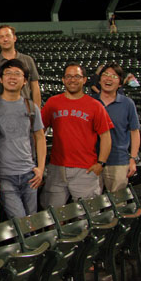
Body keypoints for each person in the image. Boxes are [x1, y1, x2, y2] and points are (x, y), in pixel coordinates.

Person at [40, 62, 113, 209]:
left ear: (84, 80)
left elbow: (106, 136)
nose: (72, 80)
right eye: (69, 76)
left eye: (77, 76)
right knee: (52, 215)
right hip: (57, 168)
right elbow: (39, 132)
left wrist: (101, 163)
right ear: (63, 79)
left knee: (88, 215)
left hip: (85, 169)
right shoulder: (53, 103)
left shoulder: (95, 105)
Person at [0, 59, 46, 219]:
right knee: (20, 221)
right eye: (7, 73)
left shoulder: (31, 107)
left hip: (29, 175)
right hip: (4, 176)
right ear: (1, 79)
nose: (12, 77)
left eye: (17, 74)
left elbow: (40, 138)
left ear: (25, 81)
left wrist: (40, 169)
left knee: (32, 221)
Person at [92, 63, 141, 192]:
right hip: (92, 161)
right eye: (105, 74)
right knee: (92, 205)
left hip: (118, 162)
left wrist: (133, 159)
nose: (108, 78)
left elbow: (134, 132)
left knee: (119, 204)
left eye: (114, 76)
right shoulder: (90, 102)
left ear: (120, 83)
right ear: (99, 79)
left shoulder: (127, 103)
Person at [0, 25, 42, 107]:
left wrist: (37, 110)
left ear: (14, 38)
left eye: (8, 36)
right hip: (0, 109)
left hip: (24, 108)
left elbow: (35, 87)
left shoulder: (28, 60)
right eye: (1, 37)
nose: (5, 39)